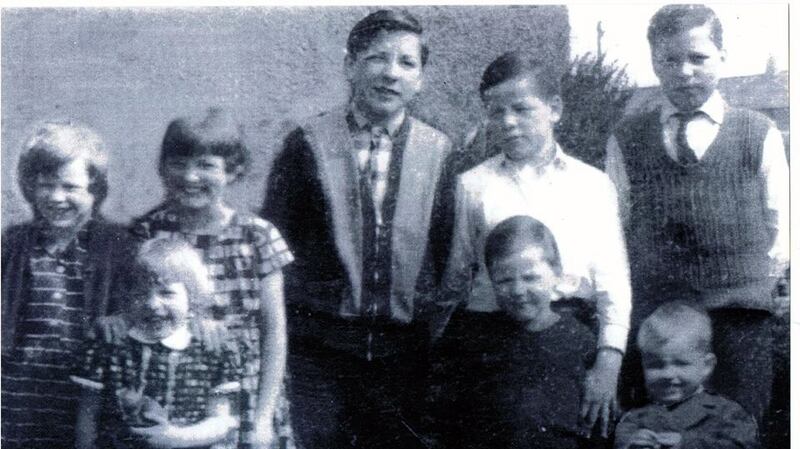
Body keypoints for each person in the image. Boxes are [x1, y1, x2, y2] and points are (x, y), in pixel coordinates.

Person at [262, 9, 453, 449]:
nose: (391, 73)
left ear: (420, 79)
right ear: (350, 66)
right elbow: (276, 245)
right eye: (377, 58)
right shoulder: (307, 143)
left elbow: (447, 252)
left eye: (406, 63)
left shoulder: (438, 152)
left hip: (403, 353)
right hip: (320, 350)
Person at [605, 4, 789, 424]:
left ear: (722, 56)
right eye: (670, 60)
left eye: (698, 58)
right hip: (661, 320)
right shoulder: (628, 137)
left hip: (738, 320)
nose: (684, 71)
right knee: (662, 427)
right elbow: (615, 227)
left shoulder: (757, 132)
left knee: (737, 425)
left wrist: (755, 285)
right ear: (654, 62)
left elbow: (783, 225)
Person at [439, 50, 631, 438]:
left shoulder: (592, 185)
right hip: (493, 339)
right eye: (496, 112)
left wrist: (608, 361)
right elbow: (458, 276)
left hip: (569, 337)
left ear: (554, 109)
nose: (508, 122)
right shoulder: (473, 185)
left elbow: (613, 282)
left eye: (522, 109)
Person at [130, 108, 295, 449]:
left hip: (246, 395)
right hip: (173, 392)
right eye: (179, 164)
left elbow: (274, 333)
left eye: (206, 165)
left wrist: (264, 418)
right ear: (163, 168)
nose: (190, 177)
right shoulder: (148, 232)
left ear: (232, 170)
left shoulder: (257, 236)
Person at [1, 121, 134, 449]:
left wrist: (121, 318)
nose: (56, 197)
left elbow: (136, 303)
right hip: (21, 393)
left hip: (86, 392)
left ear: (95, 189)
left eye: (70, 187)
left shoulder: (116, 245)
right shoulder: (13, 244)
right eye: (46, 185)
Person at [440, 215, 596, 449]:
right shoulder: (476, 340)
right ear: (491, 280)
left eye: (530, 278)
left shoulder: (580, 339)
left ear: (557, 273)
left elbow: (596, 423)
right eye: (504, 280)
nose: (517, 290)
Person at [72, 238, 242, 449]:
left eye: (167, 293)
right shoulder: (110, 344)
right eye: (141, 293)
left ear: (192, 297)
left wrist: (175, 438)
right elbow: (87, 418)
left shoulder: (210, 348)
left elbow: (220, 421)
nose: (152, 304)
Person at [614, 302, 759, 449]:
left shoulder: (727, 413)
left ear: (706, 366)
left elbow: (744, 445)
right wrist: (632, 444)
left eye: (681, 364)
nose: (668, 374)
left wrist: (687, 443)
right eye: (656, 365)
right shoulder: (634, 421)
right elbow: (621, 443)